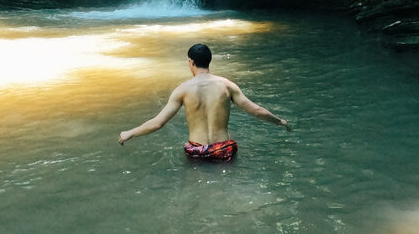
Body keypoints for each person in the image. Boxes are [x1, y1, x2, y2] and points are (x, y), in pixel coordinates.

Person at [118, 42, 290, 161]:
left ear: (191, 62)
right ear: (209, 61)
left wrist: (130, 132)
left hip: (196, 151)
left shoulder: (182, 90)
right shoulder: (227, 86)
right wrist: (280, 121)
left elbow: (158, 123)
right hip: (224, 150)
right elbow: (257, 111)